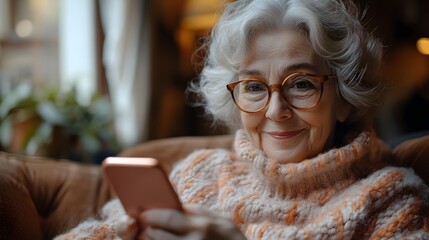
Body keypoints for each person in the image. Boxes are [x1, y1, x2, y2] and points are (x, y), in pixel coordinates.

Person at [56, 0, 429, 239]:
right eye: (253, 87)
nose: (274, 110)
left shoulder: (390, 200)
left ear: (345, 98)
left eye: (300, 84)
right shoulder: (197, 174)